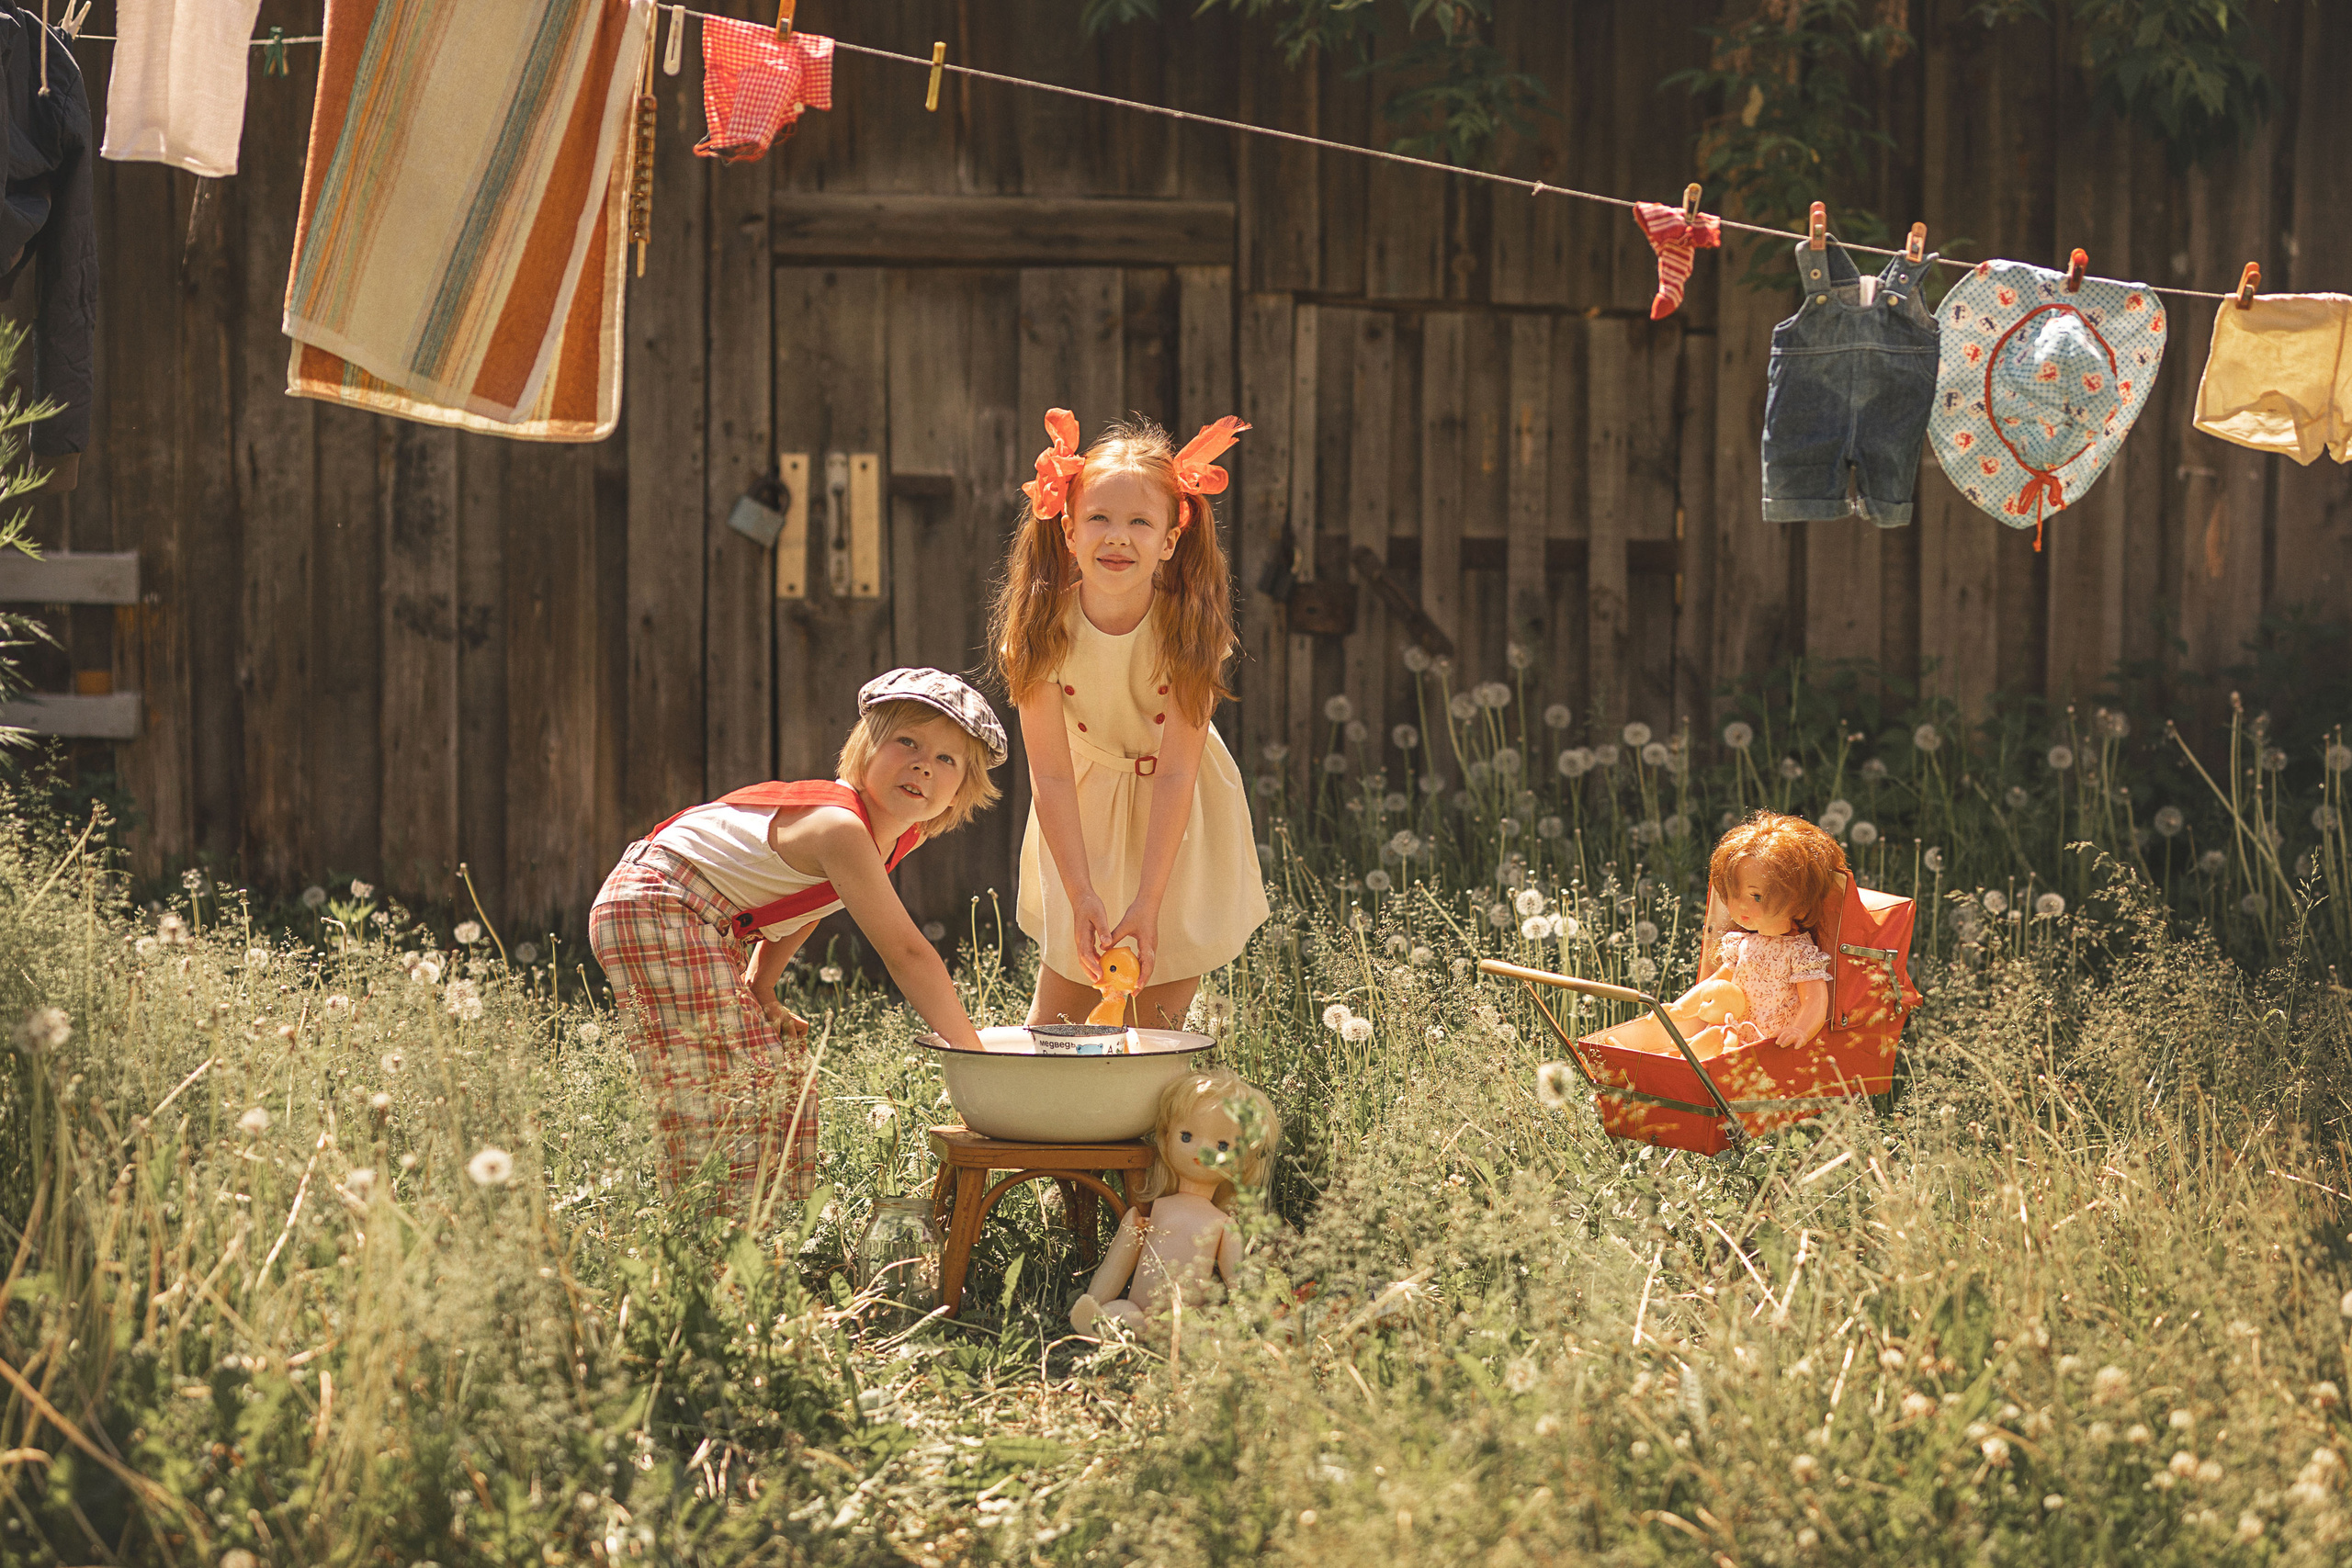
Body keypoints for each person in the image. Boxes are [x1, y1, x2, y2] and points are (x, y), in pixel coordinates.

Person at [589, 669, 1005, 1210]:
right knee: (735, 1085)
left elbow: (811, 901)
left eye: (947, 759)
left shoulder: (895, 833)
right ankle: (717, 1232)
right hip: (660, 901)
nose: (924, 764)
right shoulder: (840, 827)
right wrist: (973, 1056)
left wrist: (761, 986)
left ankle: (767, 1227)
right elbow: (907, 955)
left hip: (695, 916)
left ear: (960, 792)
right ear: (865, 748)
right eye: (908, 742)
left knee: (781, 1077)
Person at [990, 409, 1271, 1032]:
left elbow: (1176, 773)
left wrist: (1148, 901)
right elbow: (1051, 776)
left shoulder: (1189, 632)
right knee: (1057, 1023)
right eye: (1099, 518)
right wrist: (1080, 892)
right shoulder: (1041, 632)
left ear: (1169, 541)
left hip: (1178, 820)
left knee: (1152, 1025)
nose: (1118, 537)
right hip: (1081, 814)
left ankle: (1150, 1093)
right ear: (1068, 531)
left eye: (1140, 521)